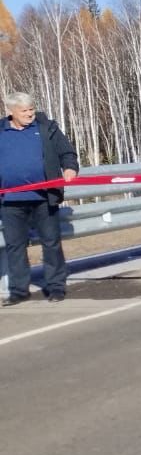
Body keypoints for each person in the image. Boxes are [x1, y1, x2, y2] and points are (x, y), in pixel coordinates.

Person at [0, 91, 79, 306]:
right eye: (23, 111)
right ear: (11, 112)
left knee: (51, 243)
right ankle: (18, 290)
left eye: (31, 109)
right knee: (15, 246)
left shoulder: (46, 127)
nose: (29, 114)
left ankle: (55, 287)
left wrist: (70, 169)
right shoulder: (1, 130)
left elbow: (67, 153)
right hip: (10, 201)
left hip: (44, 197)